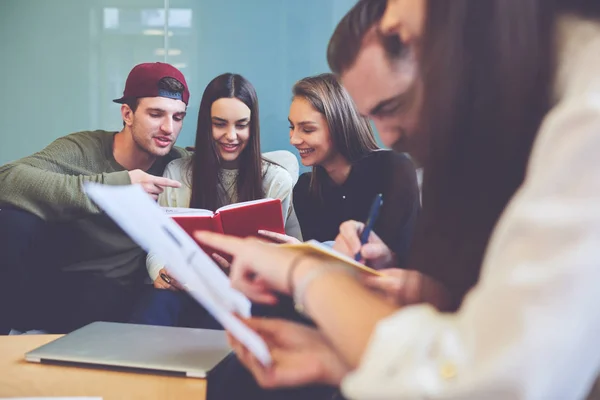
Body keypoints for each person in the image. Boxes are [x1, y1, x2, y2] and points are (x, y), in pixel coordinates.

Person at [197, 0, 600, 398]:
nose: (388, 134)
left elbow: (492, 380)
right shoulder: (502, 133)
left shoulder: (584, 118)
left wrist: (306, 271)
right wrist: (339, 357)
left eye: (392, 106)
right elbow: (481, 327)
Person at [0, 62, 190, 334]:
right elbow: (6, 178)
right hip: (56, 278)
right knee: (12, 223)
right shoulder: (82, 149)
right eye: (156, 114)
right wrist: (116, 186)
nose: (168, 128)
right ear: (127, 113)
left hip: (115, 294)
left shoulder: (178, 166)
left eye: (178, 117)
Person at [129, 73, 301, 328]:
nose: (231, 136)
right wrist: (162, 273)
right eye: (220, 123)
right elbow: (159, 244)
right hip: (190, 287)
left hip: (248, 290)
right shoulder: (176, 172)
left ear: (252, 127)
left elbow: (281, 255)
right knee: (154, 306)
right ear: (205, 125)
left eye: (241, 125)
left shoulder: (276, 180)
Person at [260, 73, 420, 271]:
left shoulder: (394, 170)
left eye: (307, 129)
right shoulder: (305, 190)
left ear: (340, 126)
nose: (293, 139)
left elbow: (402, 258)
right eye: (292, 127)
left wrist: (315, 257)